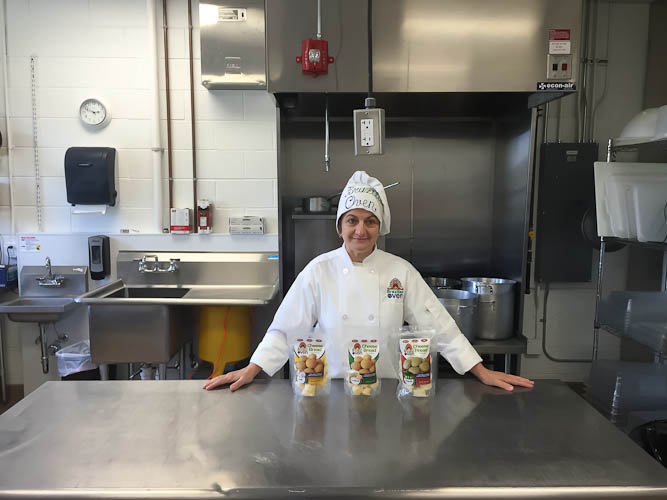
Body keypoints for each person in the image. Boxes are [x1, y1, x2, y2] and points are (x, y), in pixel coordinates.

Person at [204, 171, 534, 392]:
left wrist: (480, 370)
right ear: (340, 227)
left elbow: (437, 323)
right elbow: (286, 327)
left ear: (380, 227)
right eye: (352, 220)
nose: (360, 230)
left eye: (370, 221)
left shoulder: (400, 271)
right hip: (330, 390)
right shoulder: (319, 270)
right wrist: (253, 368)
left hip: (387, 390)